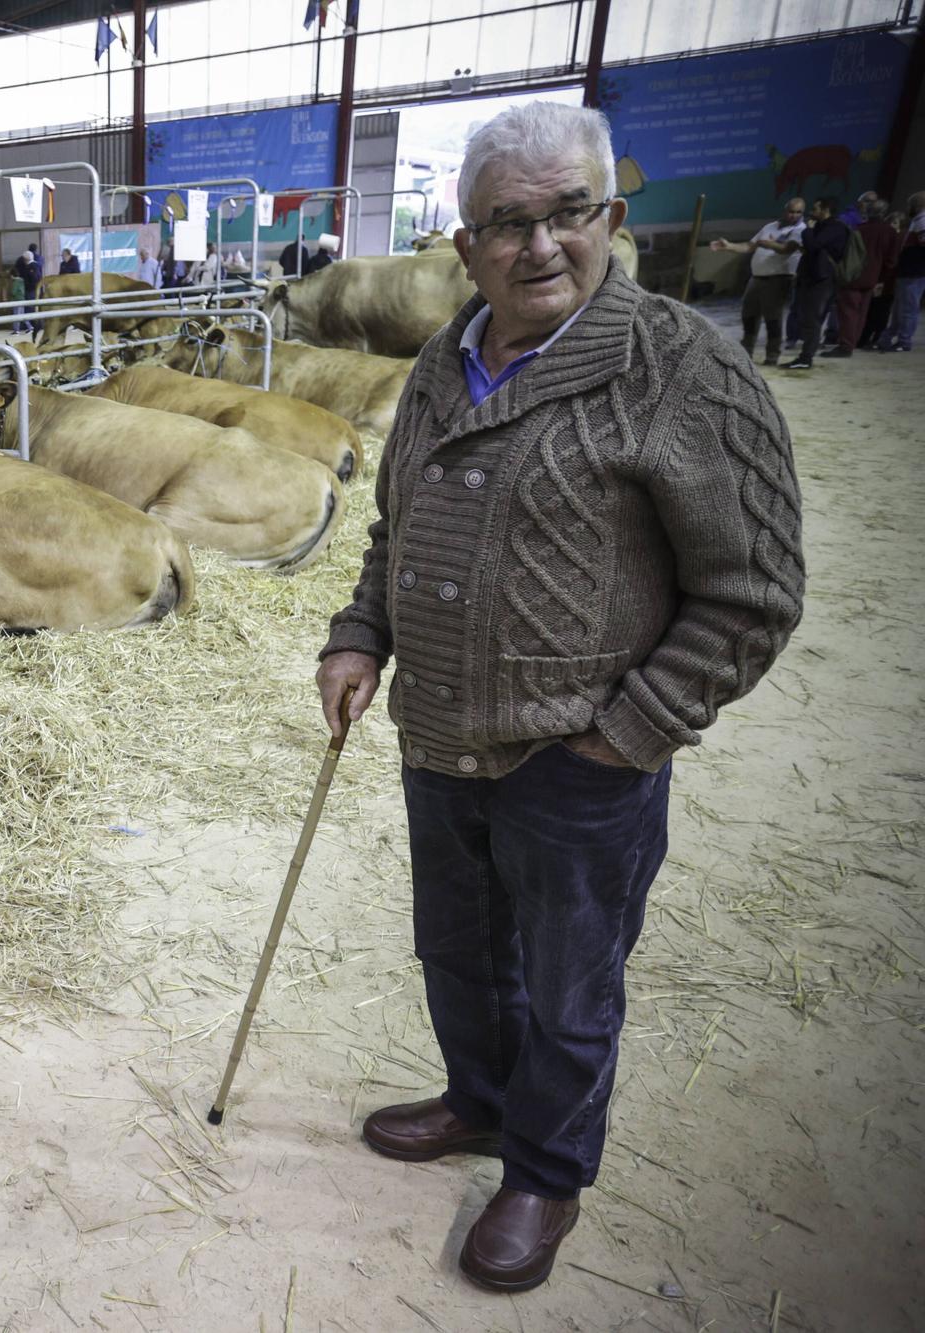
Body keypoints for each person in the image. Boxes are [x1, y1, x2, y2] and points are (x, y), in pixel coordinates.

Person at [317, 101, 802, 1295]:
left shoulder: (682, 372)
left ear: (610, 220)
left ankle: (543, 1170)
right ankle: (478, 1105)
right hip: (437, 736)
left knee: (571, 983)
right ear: (465, 244)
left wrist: (623, 735)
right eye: (508, 223)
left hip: (578, 762)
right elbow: (398, 526)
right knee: (459, 953)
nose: (540, 245)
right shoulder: (443, 358)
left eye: (566, 214)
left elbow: (752, 594)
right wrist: (358, 632)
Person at [710, 196, 804, 365]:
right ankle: (746, 354)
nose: (794, 215)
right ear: (785, 210)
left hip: (778, 279)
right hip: (756, 278)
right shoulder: (770, 226)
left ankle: (772, 356)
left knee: (772, 319)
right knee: (749, 316)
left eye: (798, 212)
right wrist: (729, 246)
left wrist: (768, 244)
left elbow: (786, 249)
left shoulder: (800, 230)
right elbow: (749, 246)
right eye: (791, 211)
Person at [782, 197, 850, 369]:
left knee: (812, 319)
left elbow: (813, 246)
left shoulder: (836, 228)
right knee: (805, 317)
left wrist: (808, 230)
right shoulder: (821, 226)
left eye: (815, 208)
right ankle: (804, 356)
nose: (812, 211)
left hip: (822, 280)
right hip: (810, 277)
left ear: (825, 209)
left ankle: (806, 358)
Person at [832, 197, 900, 357]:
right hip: (874, 278)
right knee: (862, 312)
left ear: (867, 212)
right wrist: (882, 279)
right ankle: (852, 343)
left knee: (848, 312)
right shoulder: (890, 232)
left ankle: (845, 346)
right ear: (885, 213)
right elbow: (891, 260)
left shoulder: (859, 230)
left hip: (853, 276)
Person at [877, 190, 925, 352]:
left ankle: (904, 341)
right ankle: (889, 337)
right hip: (908, 272)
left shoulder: (923, 221)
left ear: (917, 205)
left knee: (908, 309)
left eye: (910, 204)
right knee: (900, 308)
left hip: (914, 272)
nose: (907, 207)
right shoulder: (917, 220)